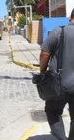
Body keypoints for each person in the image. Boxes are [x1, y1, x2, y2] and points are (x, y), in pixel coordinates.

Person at [39, 8, 74, 140]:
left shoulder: (59, 31)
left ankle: (61, 138)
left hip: (59, 85)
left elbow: (45, 53)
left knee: (52, 112)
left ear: (70, 17)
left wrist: (42, 72)